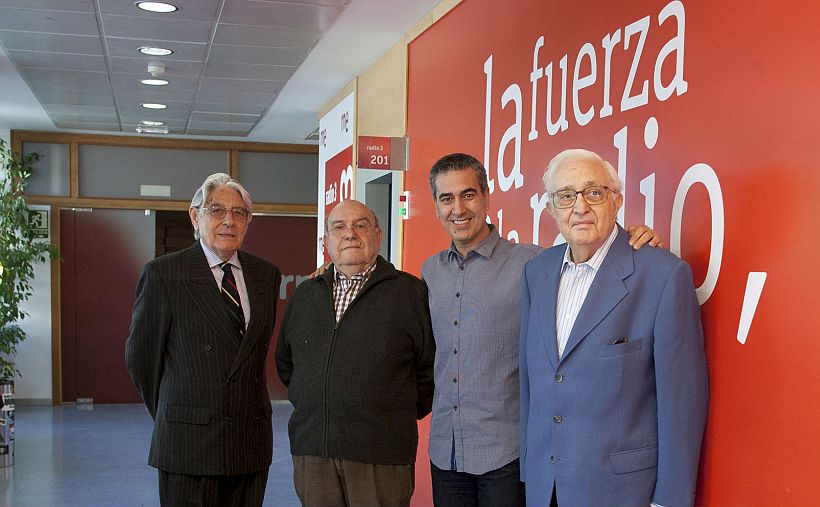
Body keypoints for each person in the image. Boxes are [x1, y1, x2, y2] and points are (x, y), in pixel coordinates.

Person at [422, 153, 662, 507]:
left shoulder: (534, 264)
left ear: (486, 196)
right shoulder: (430, 272)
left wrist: (638, 241)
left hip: (506, 455)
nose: (458, 208)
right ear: (436, 206)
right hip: (447, 450)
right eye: (446, 198)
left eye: (468, 195)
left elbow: (593, 261)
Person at [519, 149, 709, 507]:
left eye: (594, 192)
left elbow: (682, 402)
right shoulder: (536, 273)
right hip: (547, 488)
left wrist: (670, 500)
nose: (580, 207)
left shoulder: (662, 275)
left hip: (622, 492)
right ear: (550, 209)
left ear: (617, 200)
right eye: (565, 196)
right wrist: (531, 473)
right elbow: (532, 381)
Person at [125, 173, 281, 507]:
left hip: (249, 439)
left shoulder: (265, 275)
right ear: (196, 216)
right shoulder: (164, 274)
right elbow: (142, 359)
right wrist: (177, 411)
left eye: (239, 213)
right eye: (217, 210)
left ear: (248, 222)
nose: (229, 221)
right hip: (188, 442)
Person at [275, 199, 435, 507]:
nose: (350, 234)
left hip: (380, 455)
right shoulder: (306, 295)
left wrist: (389, 413)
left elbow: (429, 369)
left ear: (378, 236)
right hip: (313, 451)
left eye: (361, 225)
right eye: (339, 227)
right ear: (326, 241)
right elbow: (286, 362)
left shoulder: (410, 293)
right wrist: (316, 403)